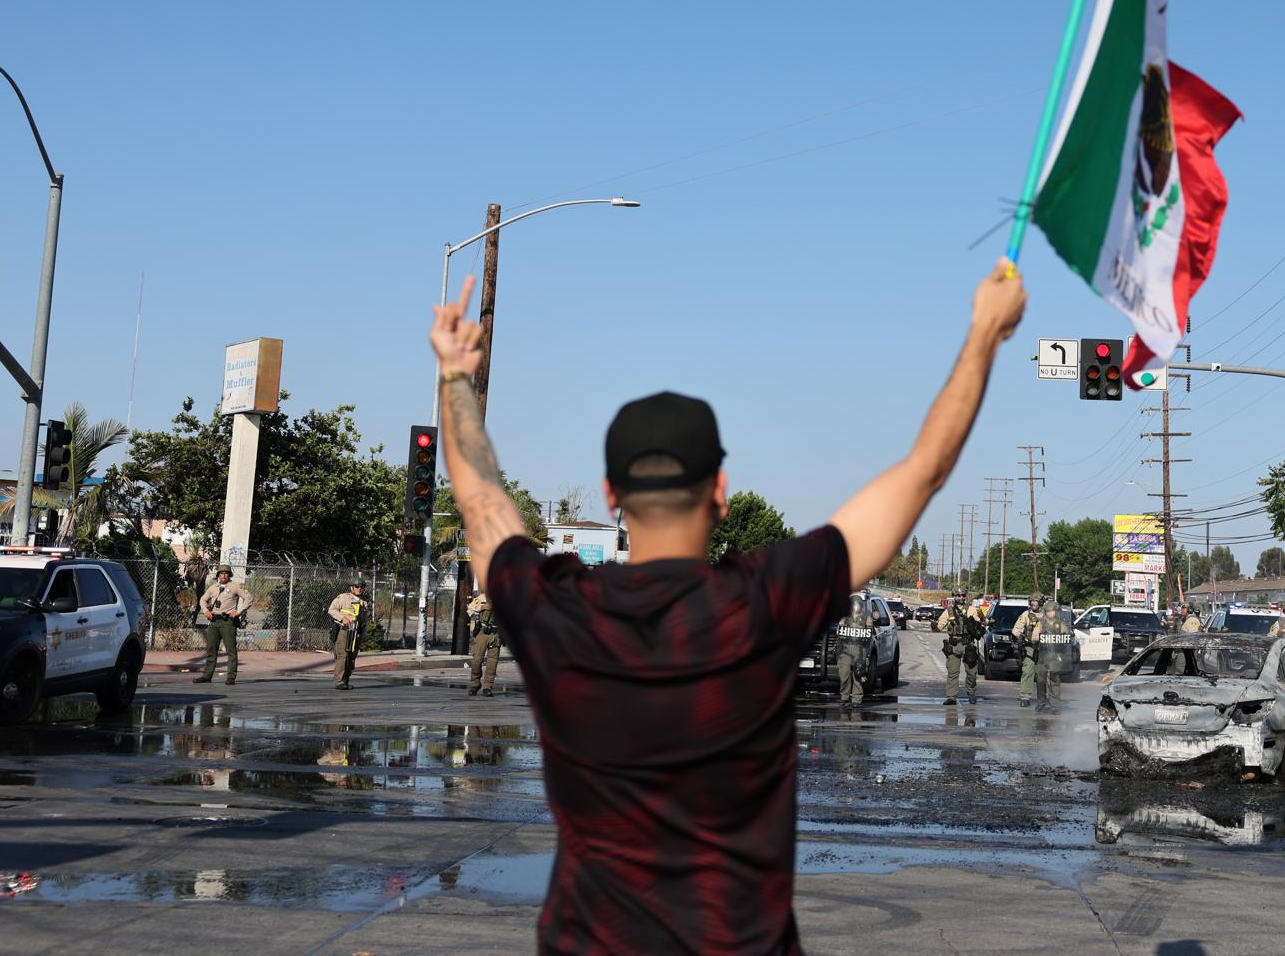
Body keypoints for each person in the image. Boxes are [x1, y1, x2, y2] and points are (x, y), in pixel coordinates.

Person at [431, 261, 1025, 954]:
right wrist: (984, 332)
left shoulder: (555, 609)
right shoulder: (763, 601)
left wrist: (455, 376)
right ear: (719, 489)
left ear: (610, 494)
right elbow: (924, 469)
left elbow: (480, 497)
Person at [193, 567, 251, 686]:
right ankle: (207, 676)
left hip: (228, 621)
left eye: (226, 574)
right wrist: (206, 611)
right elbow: (202, 600)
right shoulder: (213, 587)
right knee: (211, 649)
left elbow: (249, 597)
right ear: (218, 575)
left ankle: (231, 677)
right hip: (214, 621)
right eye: (221, 574)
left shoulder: (235, 586)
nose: (223, 576)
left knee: (231, 650)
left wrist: (239, 611)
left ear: (229, 575)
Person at [937, 590, 984, 704]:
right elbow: (939, 626)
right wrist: (934, 626)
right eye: (958, 595)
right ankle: (951, 697)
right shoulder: (949, 611)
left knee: (972, 672)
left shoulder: (972, 609)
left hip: (968, 644)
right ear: (954, 597)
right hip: (954, 645)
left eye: (962, 595)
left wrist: (981, 620)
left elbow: (981, 624)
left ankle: (971, 693)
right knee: (952, 672)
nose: (960, 597)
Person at [327, 581, 370, 691]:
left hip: (356, 633)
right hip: (345, 631)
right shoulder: (343, 597)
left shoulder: (364, 603)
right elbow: (331, 610)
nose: (359, 589)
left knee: (351, 657)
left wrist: (363, 634)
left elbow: (364, 621)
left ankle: (346, 680)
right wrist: (343, 618)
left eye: (362, 587)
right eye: (357, 586)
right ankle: (339, 681)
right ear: (352, 588)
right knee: (343, 655)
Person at [834, 591, 874, 710]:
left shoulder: (866, 618)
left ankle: (856, 699)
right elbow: (838, 631)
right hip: (845, 649)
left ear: (861, 606)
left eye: (858, 604)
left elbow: (869, 632)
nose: (856, 607)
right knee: (844, 673)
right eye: (854, 604)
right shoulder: (845, 618)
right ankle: (844, 697)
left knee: (858, 674)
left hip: (859, 650)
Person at [1034, 603, 1076, 710]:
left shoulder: (1061, 624)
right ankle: (1041, 701)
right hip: (1043, 656)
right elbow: (1034, 637)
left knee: (1055, 680)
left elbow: (1068, 638)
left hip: (1056, 656)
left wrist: (1065, 636)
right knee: (1040, 680)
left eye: (1052, 611)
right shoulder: (1041, 623)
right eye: (1048, 611)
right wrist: (1042, 637)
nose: (1050, 613)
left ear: (1056, 612)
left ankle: (1055, 705)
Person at [465, 589, 502, 696]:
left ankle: (487, 687)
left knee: (492, 663)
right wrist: (483, 607)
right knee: (477, 660)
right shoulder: (482, 598)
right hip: (482, 633)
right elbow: (470, 610)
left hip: (496, 634)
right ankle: (475, 684)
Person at [1012, 595, 1045, 707]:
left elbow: (1057, 628)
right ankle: (1025, 697)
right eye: (1032, 601)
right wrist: (1016, 636)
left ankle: (1043, 698)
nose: (1033, 603)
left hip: (1045, 648)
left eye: (1036, 601)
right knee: (1027, 671)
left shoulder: (1047, 615)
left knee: (1043, 675)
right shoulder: (1026, 615)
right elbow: (1017, 629)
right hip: (1030, 647)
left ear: (1041, 602)